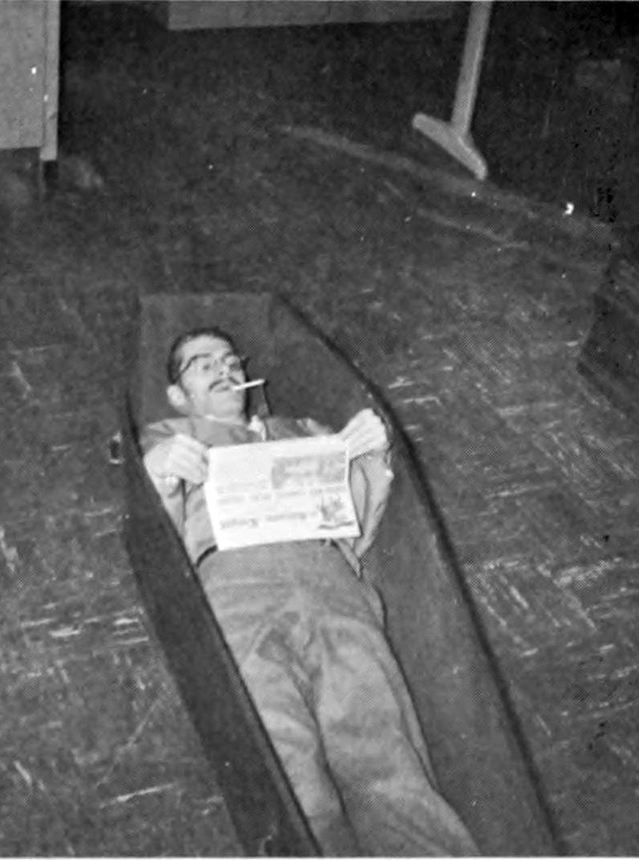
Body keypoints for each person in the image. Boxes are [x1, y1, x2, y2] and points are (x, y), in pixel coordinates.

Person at [140, 326, 478, 857]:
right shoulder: (169, 438)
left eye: (231, 360)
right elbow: (158, 549)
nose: (224, 368)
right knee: (283, 759)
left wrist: (370, 455)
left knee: (383, 747)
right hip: (233, 579)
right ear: (178, 396)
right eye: (203, 363)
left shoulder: (305, 432)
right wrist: (160, 477)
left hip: (327, 576)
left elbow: (358, 527)